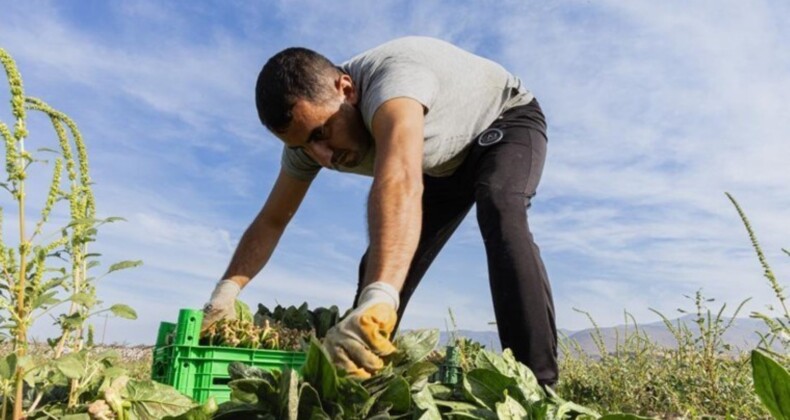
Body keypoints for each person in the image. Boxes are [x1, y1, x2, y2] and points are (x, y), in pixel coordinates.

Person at [201, 36, 558, 387]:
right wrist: (227, 289)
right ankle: (363, 386)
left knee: (499, 206)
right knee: (378, 261)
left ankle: (538, 387)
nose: (323, 156)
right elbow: (272, 219)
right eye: (305, 145)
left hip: (503, 121)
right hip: (439, 164)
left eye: (323, 133)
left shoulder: (393, 84)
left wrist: (381, 295)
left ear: (346, 89)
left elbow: (400, 177)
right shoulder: (306, 142)